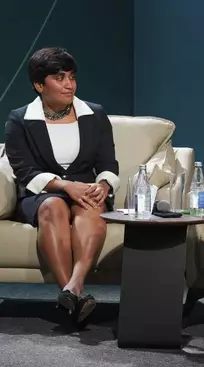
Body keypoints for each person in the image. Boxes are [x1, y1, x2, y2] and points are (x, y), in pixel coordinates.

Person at [4, 47, 120, 326]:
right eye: (59, 78)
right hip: (42, 193)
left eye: (71, 77)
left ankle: (73, 289)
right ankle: (71, 292)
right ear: (39, 84)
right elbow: (24, 172)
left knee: (91, 206)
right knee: (53, 205)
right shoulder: (19, 120)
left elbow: (108, 163)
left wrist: (104, 184)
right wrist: (66, 186)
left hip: (86, 190)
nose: (69, 84)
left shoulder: (94, 113)